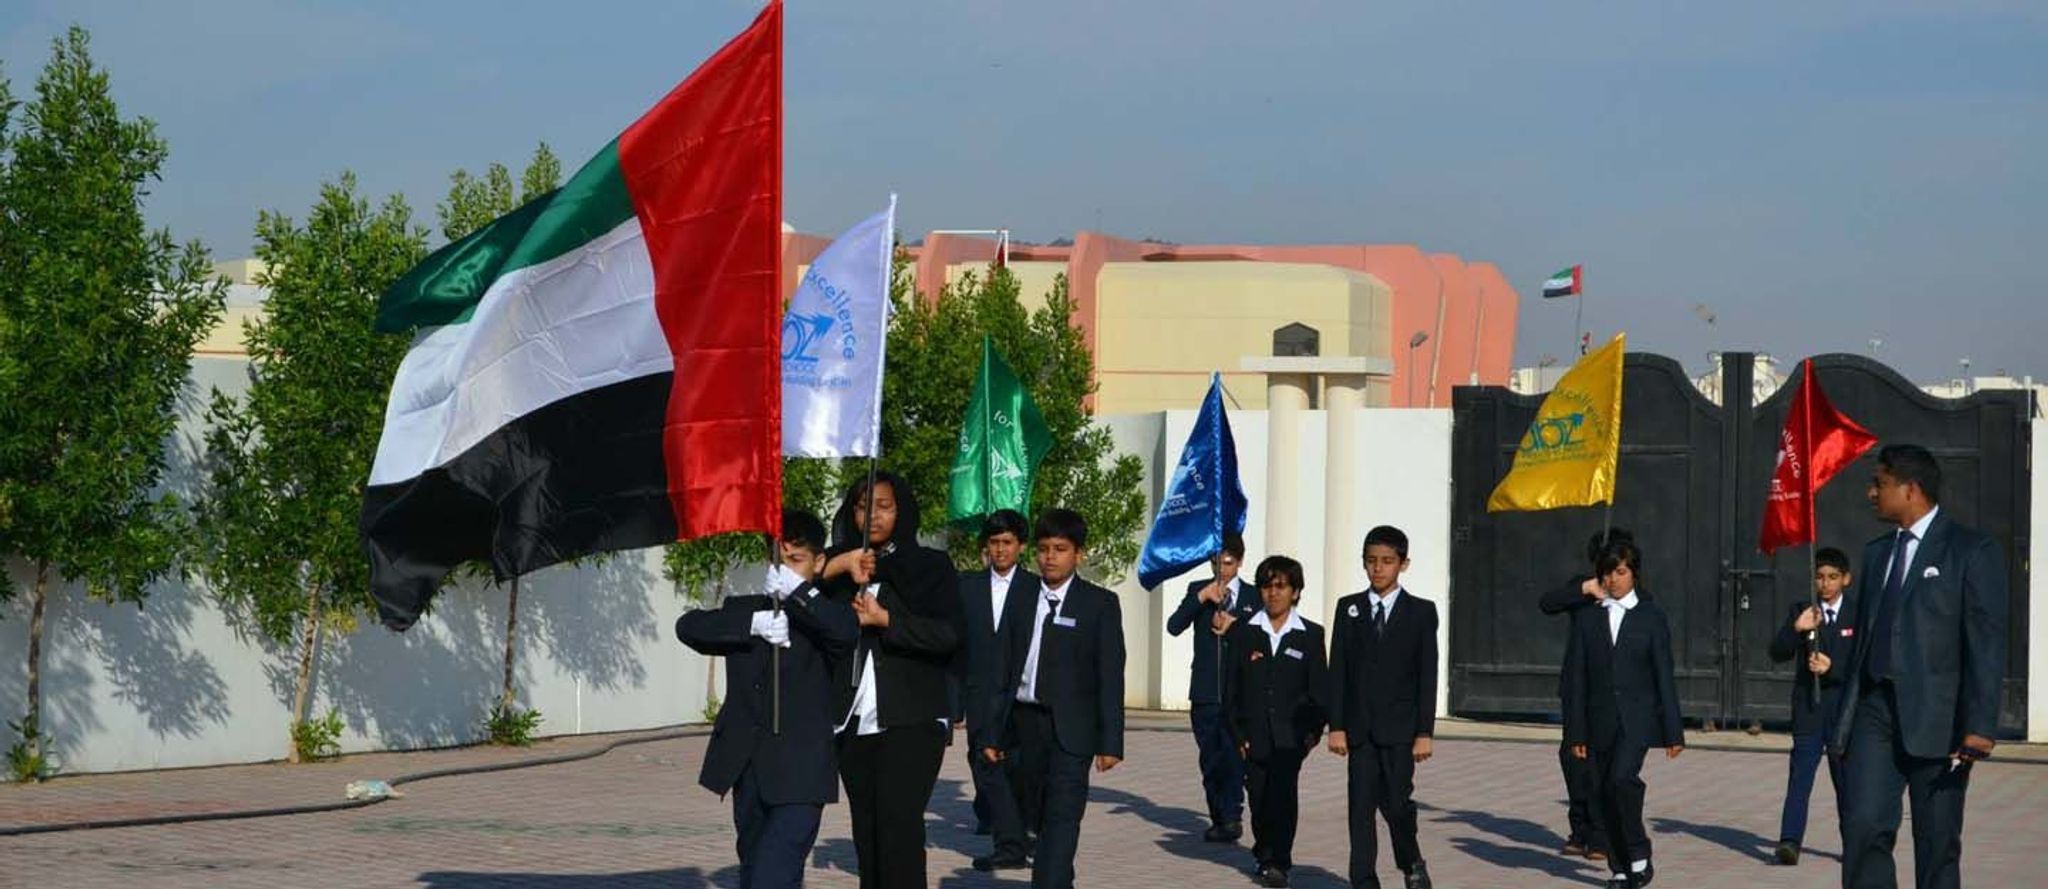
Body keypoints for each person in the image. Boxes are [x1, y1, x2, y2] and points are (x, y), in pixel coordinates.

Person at [1833, 444, 2008, 889]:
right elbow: (1864, 643)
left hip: (1940, 720)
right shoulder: (1875, 554)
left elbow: (1985, 641)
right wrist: (1847, 718)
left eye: (1880, 484)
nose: (1872, 493)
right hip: (1877, 713)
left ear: (1910, 490)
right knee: (1862, 828)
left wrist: (1980, 724)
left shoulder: (1970, 550)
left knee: (1937, 844)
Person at [674, 508, 858, 889]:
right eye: (779, 561)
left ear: (818, 562)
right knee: (757, 869)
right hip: (750, 768)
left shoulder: (827, 614)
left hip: (802, 772)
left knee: (771, 875)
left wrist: (800, 593)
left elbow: (844, 633)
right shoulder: (747, 611)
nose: (786, 569)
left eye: (796, 560)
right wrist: (752, 626)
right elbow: (688, 627)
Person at [820, 472, 964, 889]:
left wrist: (888, 622)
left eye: (884, 506)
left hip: (911, 719)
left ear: (901, 511)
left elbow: (949, 635)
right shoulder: (839, 568)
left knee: (899, 826)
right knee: (866, 830)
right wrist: (838, 565)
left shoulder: (929, 567)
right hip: (852, 719)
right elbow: (794, 588)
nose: (873, 516)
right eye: (864, 506)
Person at [975, 508, 1126, 889]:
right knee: (1038, 817)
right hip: (1024, 726)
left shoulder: (1099, 604)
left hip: (1072, 731)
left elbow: (1110, 676)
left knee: (1063, 815)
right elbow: (1002, 669)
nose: (1050, 557)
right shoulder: (1021, 596)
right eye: (1043, 549)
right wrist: (991, 732)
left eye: (1060, 549)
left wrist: (1111, 742)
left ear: (1079, 554)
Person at [1564, 538, 1683, 888]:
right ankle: (1619, 867)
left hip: (1637, 721)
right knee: (1601, 792)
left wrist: (1673, 731)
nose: (1614, 580)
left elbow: (1664, 674)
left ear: (1634, 573)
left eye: (1620, 572)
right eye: (1607, 573)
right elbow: (1577, 680)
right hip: (1599, 721)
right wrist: (1576, 733)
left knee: (1621, 780)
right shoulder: (1589, 618)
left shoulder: (1651, 617)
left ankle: (1638, 850)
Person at [1327, 525, 1438, 889]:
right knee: (1360, 808)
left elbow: (1426, 675)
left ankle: (1411, 861)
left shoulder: (1421, 612)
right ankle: (1363, 879)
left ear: (1403, 564)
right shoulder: (1349, 609)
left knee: (1396, 804)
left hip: (1401, 730)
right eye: (1371, 561)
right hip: (1359, 730)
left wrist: (1424, 732)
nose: (1378, 569)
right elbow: (1338, 670)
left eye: (1387, 561)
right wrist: (1337, 725)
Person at [1225, 555, 1327, 888]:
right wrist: (1238, 733)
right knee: (1258, 796)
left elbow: (1318, 692)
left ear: (1296, 592)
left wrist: (1311, 735)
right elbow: (1232, 690)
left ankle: (1278, 861)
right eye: (1267, 586)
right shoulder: (1243, 632)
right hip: (1253, 735)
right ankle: (1263, 849)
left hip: (1290, 738)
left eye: (1281, 586)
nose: (1274, 593)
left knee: (1282, 796)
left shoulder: (1310, 635)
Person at [1538, 528, 1635, 863]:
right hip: (1579, 693)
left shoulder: (1631, 596)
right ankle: (1579, 828)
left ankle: (1600, 835)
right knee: (1573, 759)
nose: (1610, 575)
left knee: (1603, 768)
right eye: (1604, 566)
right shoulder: (1586, 590)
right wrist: (1584, 590)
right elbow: (1547, 603)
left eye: (1618, 567)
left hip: (1614, 697)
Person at [1165, 533, 1260, 843]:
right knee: (1210, 758)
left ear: (1240, 562)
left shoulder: (1253, 596)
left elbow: (1263, 637)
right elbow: (1174, 625)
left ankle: (1232, 815)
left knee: (1234, 756)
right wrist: (1201, 598)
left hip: (1239, 691)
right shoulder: (1199, 590)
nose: (1223, 569)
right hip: (1206, 689)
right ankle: (1219, 815)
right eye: (1217, 563)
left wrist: (1236, 626)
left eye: (1229, 563)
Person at [957, 509, 1038, 872]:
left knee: (1019, 769)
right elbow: (954, 643)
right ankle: (1010, 842)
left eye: (1007, 542)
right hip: (979, 694)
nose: (1000, 549)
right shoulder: (967, 586)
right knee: (985, 768)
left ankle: (1020, 834)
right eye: (994, 543)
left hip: (1022, 698)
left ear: (1021, 546)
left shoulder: (1036, 588)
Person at [1766, 545, 1856, 866]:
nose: (1825, 584)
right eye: (1819, 577)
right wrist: (1797, 629)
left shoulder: (1856, 615)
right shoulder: (1803, 610)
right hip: (1809, 709)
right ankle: (1790, 841)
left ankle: (1854, 844)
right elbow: (1777, 652)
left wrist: (1833, 669)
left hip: (1844, 714)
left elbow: (1864, 665)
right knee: (1800, 778)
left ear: (1846, 579)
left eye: (1833, 577)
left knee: (1846, 784)